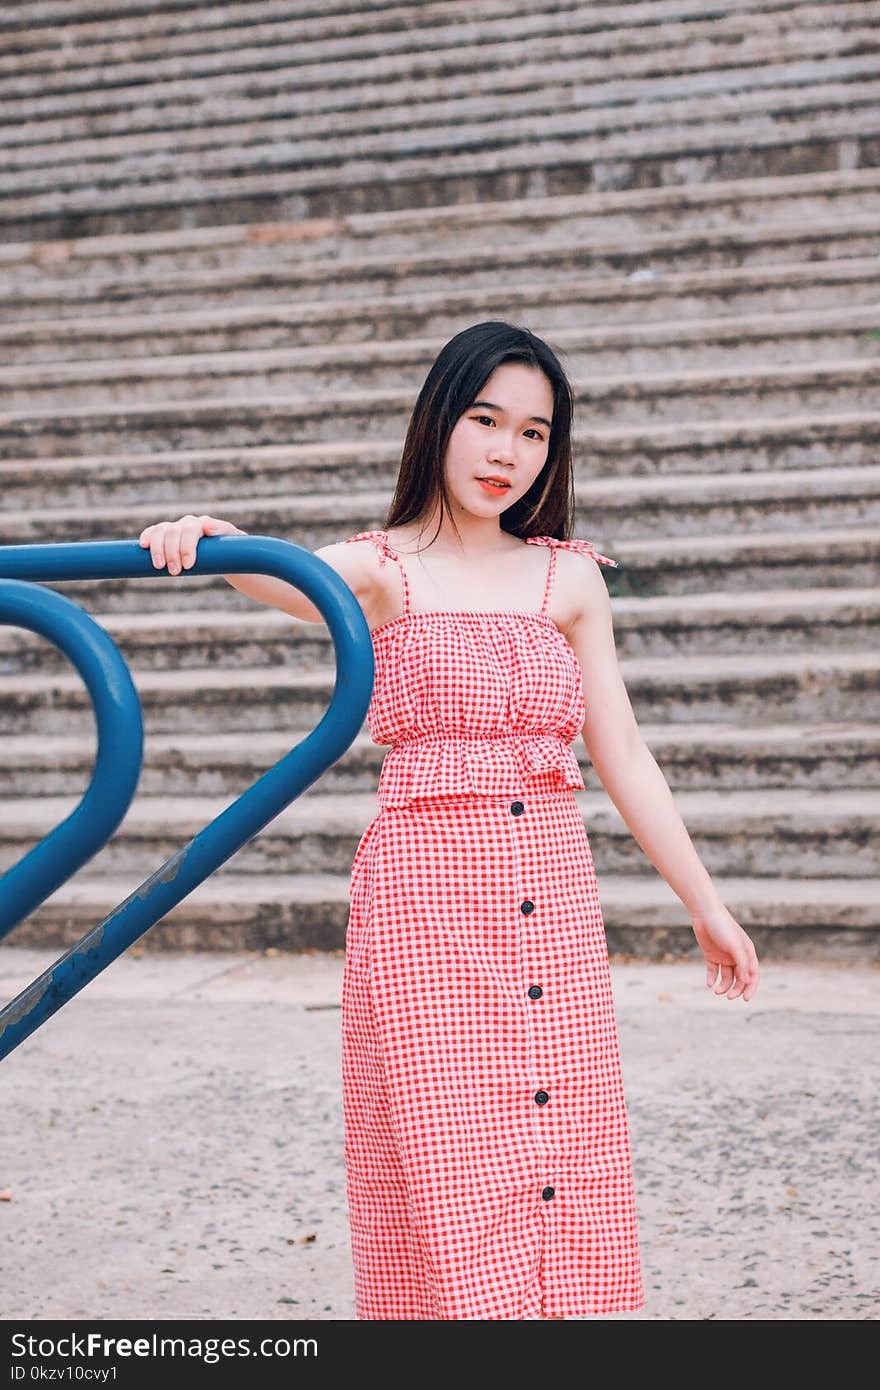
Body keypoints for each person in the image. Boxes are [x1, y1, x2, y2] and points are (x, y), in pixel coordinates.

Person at [139, 319, 760, 1321]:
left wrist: (706, 903)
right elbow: (276, 572)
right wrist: (205, 533)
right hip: (425, 894)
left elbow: (624, 750)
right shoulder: (388, 566)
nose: (506, 451)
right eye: (484, 419)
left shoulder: (568, 577)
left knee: (561, 1132)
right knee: (446, 1137)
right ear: (440, 419)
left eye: (533, 432)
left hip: (549, 888)